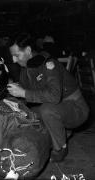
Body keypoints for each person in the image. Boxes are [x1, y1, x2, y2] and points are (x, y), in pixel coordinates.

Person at [7, 32, 89, 162]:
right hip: (60, 107)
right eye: (12, 56)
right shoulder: (26, 69)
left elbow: (54, 96)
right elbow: (25, 93)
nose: (13, 60)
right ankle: (59, 134)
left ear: (28, 50)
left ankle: (60, 148)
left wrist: (23, 93)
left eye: (16, 55)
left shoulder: (48, 64)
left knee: (47, 110)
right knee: (28, 114)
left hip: (76, 108)